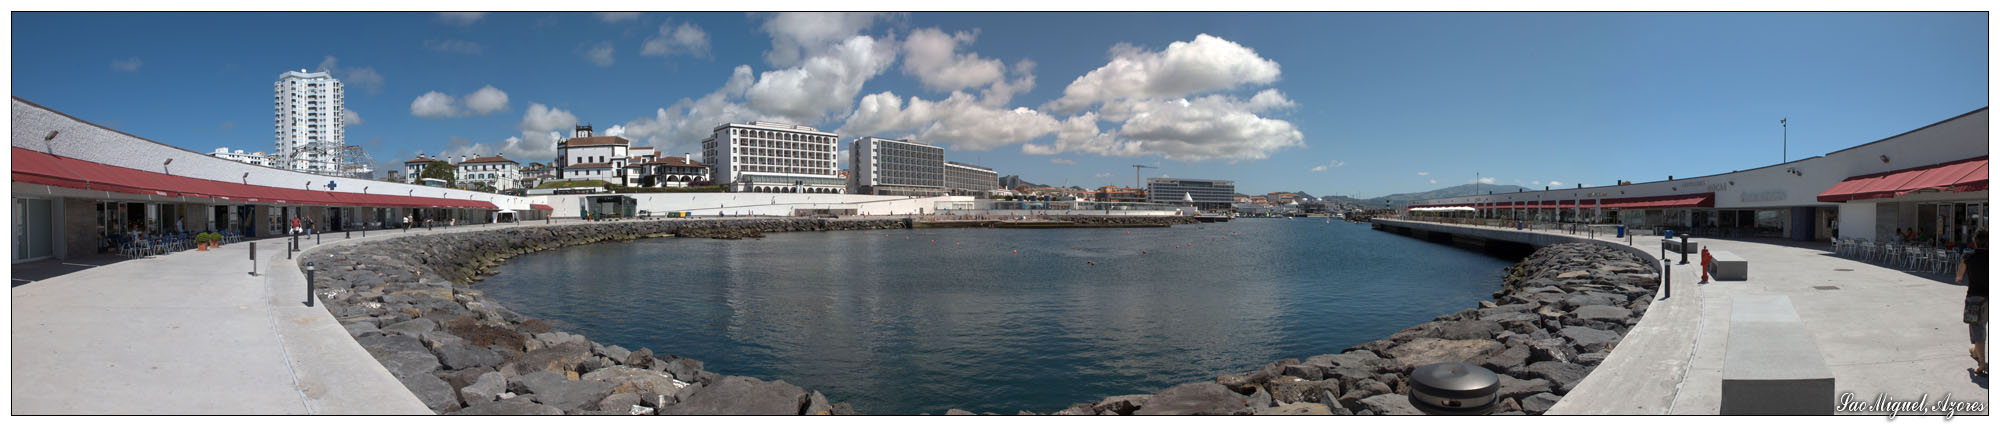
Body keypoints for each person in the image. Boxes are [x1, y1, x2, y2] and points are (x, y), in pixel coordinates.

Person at [1957, 228, 1987, 377]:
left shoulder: (1968, 257)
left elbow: (1958, 276)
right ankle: (1975, 351)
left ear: (1975, 241)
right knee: (1979, 328)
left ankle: (1982, 363)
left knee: (1977, 328)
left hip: (1975, 298)